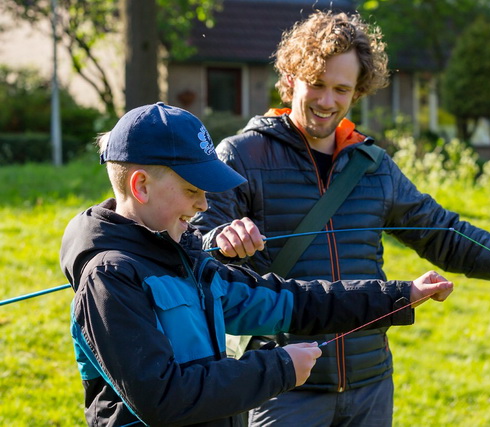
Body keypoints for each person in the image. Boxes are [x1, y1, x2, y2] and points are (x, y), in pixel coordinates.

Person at [190, 10, 490, 427]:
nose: (327, 101)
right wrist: (223, 238)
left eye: (341, 89)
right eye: (317, 84)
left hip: (370, 386)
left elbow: (446, 236)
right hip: (283, 386)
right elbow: (194, 243)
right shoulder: (241, 156)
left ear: (358, 92)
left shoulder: (372, 165)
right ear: (290, 80)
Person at [59, 102, 455, 427]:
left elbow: (290, 301)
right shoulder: (110, 277)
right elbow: (163, 398)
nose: (203, 205)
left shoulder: (188, 260)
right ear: (141, 185)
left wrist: (400, 295)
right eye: (192, 190)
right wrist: (279, 367)